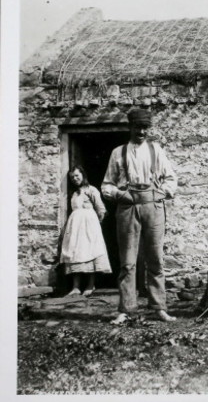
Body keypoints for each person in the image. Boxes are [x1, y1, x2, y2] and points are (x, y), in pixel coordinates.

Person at [102, 108, 177, 323]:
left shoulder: (156, 150)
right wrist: (119, 194)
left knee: (155, 259)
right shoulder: (118, 152)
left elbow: (171, 178)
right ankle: (126, 309)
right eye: (137, 127)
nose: (141, 131)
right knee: (127, 261)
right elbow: (106, 184)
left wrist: (161, 193)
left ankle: (159, 307)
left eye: (145, 127)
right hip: (128, 208)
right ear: (130, 127)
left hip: (153, 207)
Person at [60, 165, 112, 297]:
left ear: (83, 175)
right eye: (72, 177)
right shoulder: (74, 193)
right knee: (75, 252)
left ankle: (90, 285)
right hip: (75, 226)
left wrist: (95, 224)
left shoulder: (91, 190)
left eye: (77, 175)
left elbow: (101, 209)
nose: (75, 179)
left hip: (89, 225)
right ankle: (76, 287)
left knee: (90, 251)